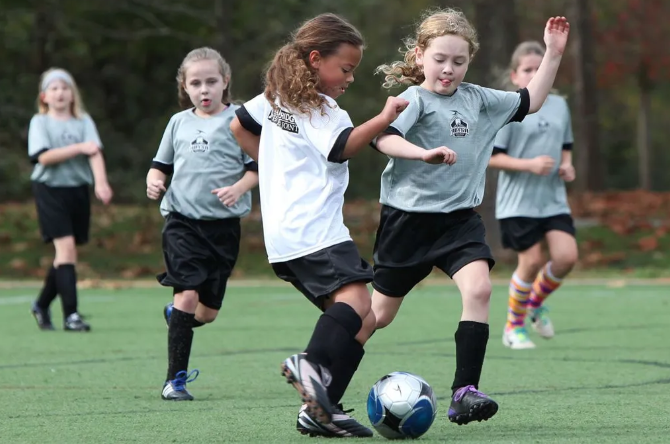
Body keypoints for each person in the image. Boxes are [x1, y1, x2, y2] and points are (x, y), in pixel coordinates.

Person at [230, 12, 450, 438]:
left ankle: (320, 409)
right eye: (345, 69)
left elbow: (238, 123)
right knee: (355, 301)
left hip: (285, 235)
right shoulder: (321, 107)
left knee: (360, 318)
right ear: (315, 60)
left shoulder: (275, 98)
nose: (349, 78)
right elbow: (340, 148)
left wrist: (274, 167)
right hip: (314, 229)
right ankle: (309, 366)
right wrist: (384, 117)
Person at [368, 8, 570, 425]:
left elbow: (529, 101)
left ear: (469, 62)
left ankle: (464, 392)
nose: (448, 69)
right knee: (378, 316)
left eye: (459, 62)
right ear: (421, 55)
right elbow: (384, 138)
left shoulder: (479, 100)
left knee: (479, 290)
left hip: (459, 221)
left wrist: (552, 53)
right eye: (440, 59)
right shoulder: (414, 100)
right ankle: (323, 375)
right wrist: (423, 153)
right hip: (407, 222)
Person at [146, 47, 259, 401]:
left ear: (225, 82)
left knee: (206, 313)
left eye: (211, 81)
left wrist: (239, 187)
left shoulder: (239, 120)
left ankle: (178, 317)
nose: (204, 89)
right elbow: (159, 165)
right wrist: (153, 180)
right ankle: (174, 381)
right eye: (196, 83)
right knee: (188, 292)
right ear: (185, 86)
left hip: (223, 229)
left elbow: (259, 165)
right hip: (182, 222)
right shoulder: (178, 122)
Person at [489, 41, 578, 350]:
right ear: (515, 75)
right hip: (518, 203)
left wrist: (567, 166)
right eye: (528, 69)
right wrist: (529, 165)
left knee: (567, 257)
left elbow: (566, 145)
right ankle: (513, 328)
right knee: (532, 261)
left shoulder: (560, 105)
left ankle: (533, 303)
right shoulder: (510, 108)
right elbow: (492, 157)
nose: (534, 74)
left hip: (552, 199)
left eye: (539, 68)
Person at [29, 67, 113, 332]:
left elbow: (95, 152)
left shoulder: (84, 121)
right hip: (49, 189)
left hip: (77, 190)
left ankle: (41, 304)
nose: (60, 93)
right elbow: (42, 157)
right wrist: (78, 147)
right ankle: (71, 315)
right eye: (54, 88)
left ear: (72, 94)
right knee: (66, 251)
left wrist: (101, 182)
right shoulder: (40, 123)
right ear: (45, 96)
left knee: (65, 254)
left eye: (65, 88)